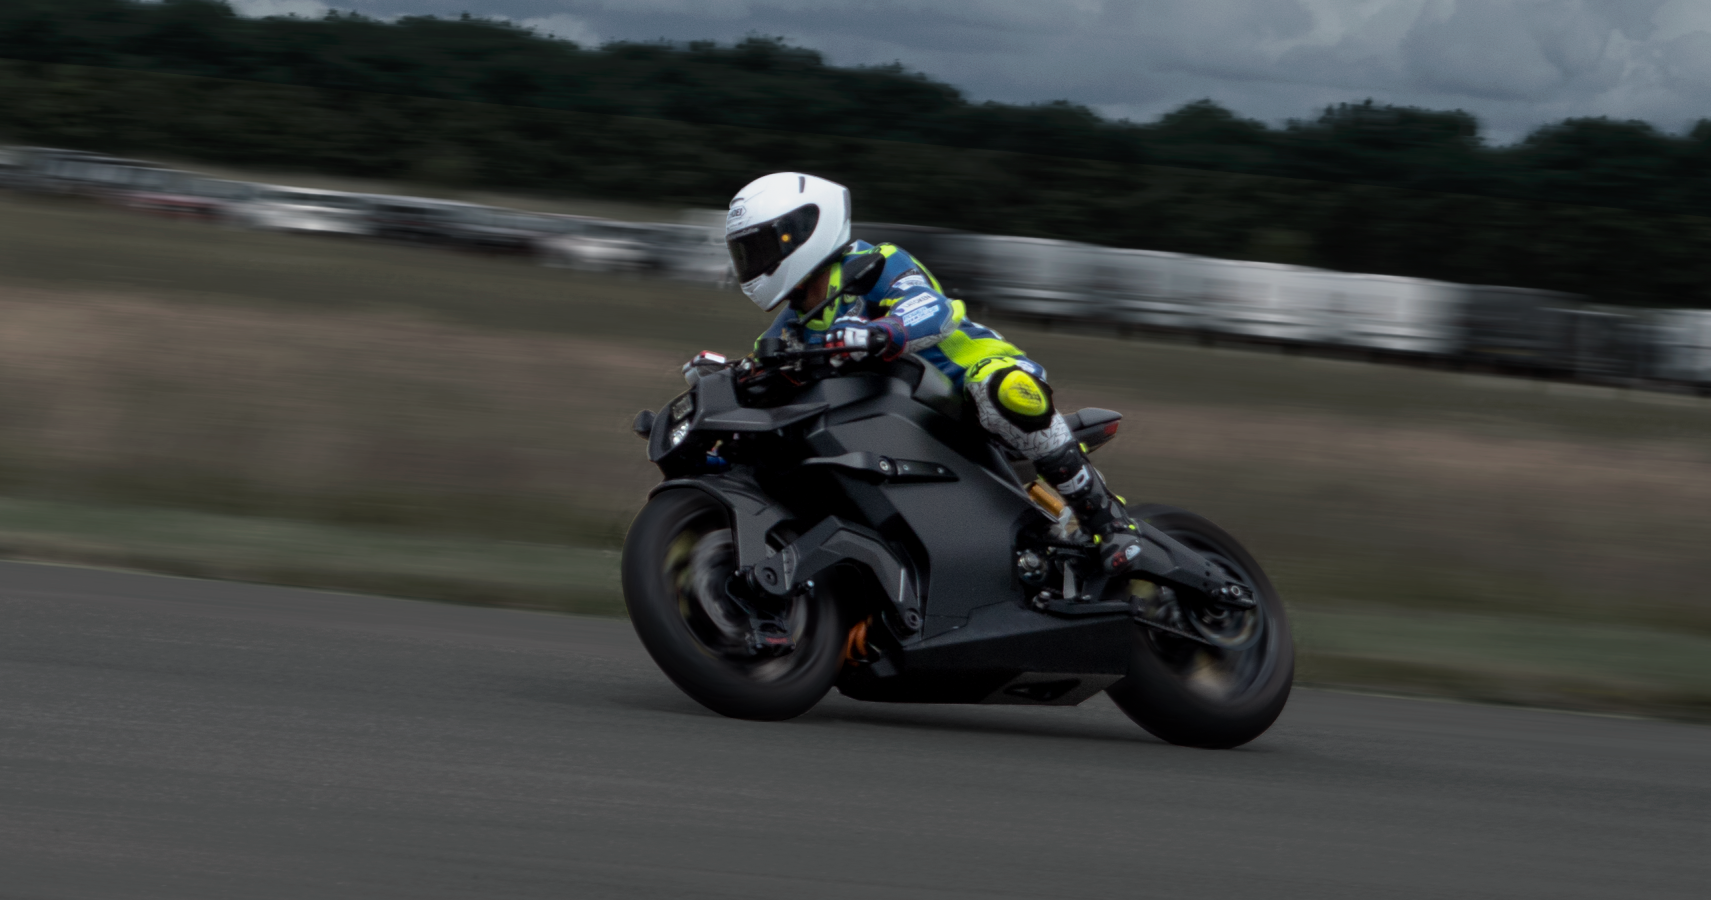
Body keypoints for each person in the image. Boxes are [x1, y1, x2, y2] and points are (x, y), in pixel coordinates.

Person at [724, 172, 1143, 574]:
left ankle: (1108, 521)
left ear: (803, 231)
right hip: (910, 422)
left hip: (969, 378)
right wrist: (730, 378)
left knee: (1001, 390)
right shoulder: (795, 323)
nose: (754, 262)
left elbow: (931, 307)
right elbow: (763, 363)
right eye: (746, 253)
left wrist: (881, 331)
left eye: (762, 247)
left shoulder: (872, 264)